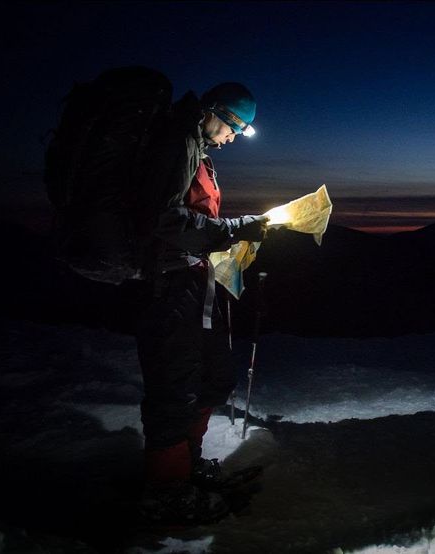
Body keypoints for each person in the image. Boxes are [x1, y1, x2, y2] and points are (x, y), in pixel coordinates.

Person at [134, 81, 269, 524]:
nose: (233, 137)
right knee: (174, 386)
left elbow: (195, 218)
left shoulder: (197, 150)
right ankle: (165, 490)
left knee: (214, 376)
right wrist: (232, 229)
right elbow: (161, 217)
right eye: (234, 127)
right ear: (213, 111)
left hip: (194, 282)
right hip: (168, 286)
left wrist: (231, 237)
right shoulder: (175, 145)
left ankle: (185, 468)